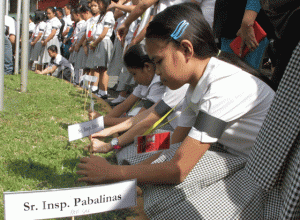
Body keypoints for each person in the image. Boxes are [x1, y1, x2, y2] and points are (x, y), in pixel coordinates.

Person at [77, 3, 276, 218]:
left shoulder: (207, 87)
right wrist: (111, 141)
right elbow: (153, 128)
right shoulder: (189, 83)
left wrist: (112, 152)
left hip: (231, 158)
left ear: (186, 50)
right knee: (139, 151)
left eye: (158, 62)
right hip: (180, 139)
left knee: (142, 151)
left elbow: (148, 123)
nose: (157, 72)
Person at [86, 0, 115, 99]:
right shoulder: (103, 15)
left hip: (103, 42)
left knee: (103, 69)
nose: (97, 6)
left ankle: (104, 91)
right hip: (98, 42)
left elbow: (104, 33)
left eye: (98, 3)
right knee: (98, 67)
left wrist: (94, 43)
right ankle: (98, 89)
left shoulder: (109, 14)